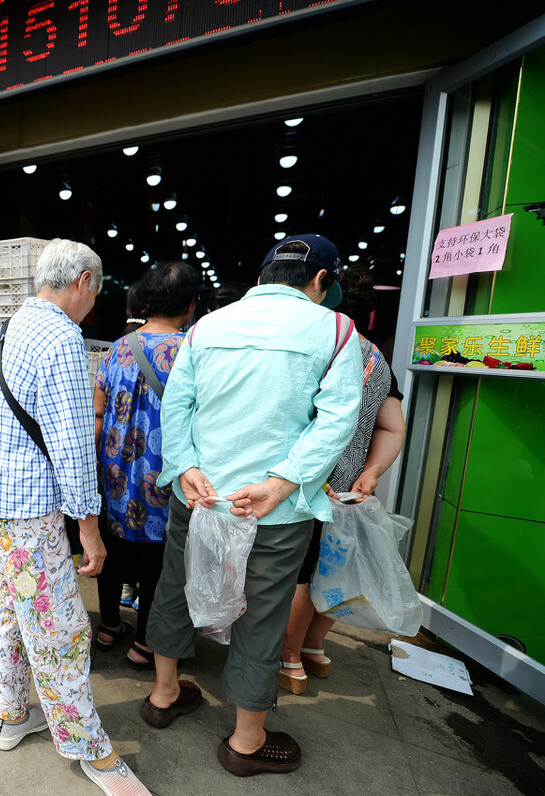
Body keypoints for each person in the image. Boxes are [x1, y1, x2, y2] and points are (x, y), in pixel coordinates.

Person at [145, 234, 362, 778]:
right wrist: (286, 481)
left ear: (264, 276)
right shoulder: (336, 331)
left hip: (198, 496)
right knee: (261, 617)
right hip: (273, 511)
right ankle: (246, 740)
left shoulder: (207, 326)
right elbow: (338, 421)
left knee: (174, 586)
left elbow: (178, 403)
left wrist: (186, 467)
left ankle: (164, 694)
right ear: (321, 281)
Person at [0, 238, 151, 796]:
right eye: (95, 290)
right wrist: (89, 528)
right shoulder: (63, 338)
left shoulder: (9, 327)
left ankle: (12, 714)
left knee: (7, 606)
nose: (93, 303)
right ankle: (88, 749)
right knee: (60, 632)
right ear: (82, 281)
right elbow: (73, 446)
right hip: (31, 511)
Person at [278, 269, 407, 694]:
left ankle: (288, 657)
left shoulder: (316, 341)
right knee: (334, 569)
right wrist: (369, 473)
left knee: (299, 573)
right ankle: (313, 647)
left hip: (303, 483)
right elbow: (392, 426)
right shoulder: (376, 357)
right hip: (350, 488)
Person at [92, 262, 200, 671]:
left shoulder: (118, 348)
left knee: (113, 549)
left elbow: (99, 413)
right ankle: (143, 643)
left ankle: (107, 625)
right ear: (190, 305)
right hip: (164, 474)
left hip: (116, 471)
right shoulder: (190, 351)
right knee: (158, 561)